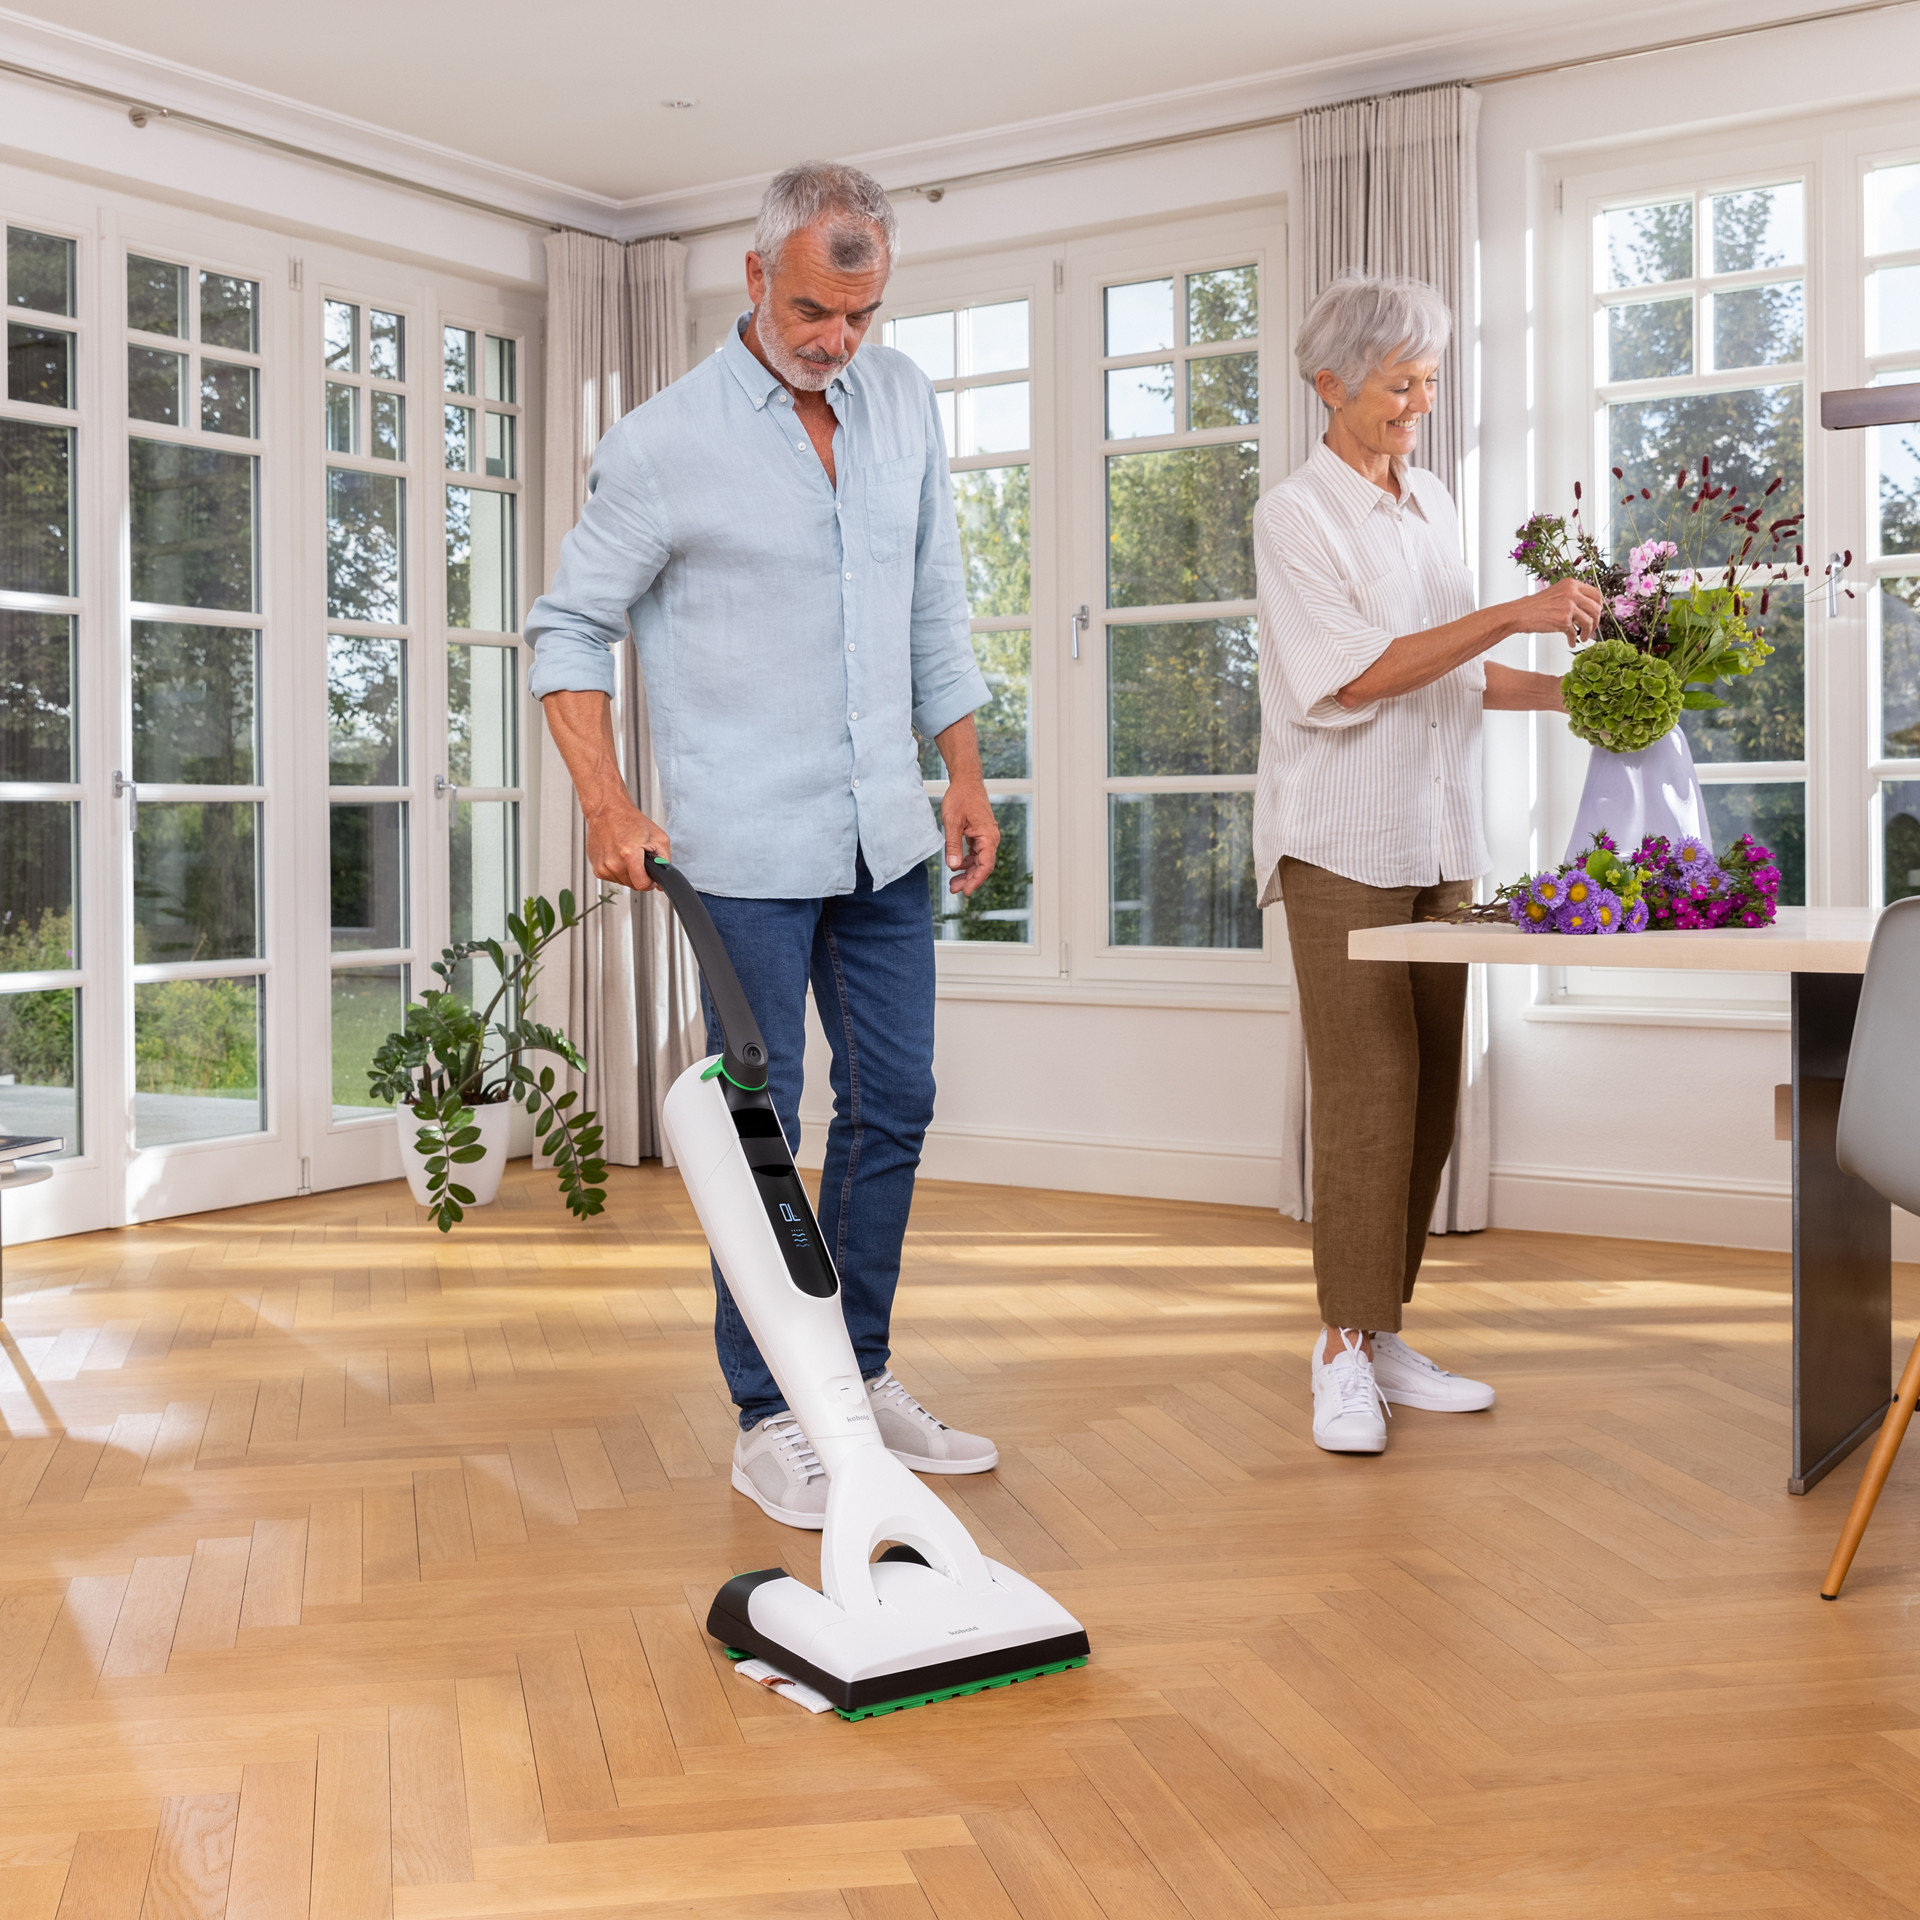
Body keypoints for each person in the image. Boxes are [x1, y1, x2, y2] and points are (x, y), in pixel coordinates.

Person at [528, 162, 1003, 1527]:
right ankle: (769, 1413)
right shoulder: (666, 442)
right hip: (738, 848)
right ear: (753, 278)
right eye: (811, 308)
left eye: (859, 314)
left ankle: (856, 1374)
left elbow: (936, 600)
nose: (835, 340)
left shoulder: (899, 399)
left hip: (884, 838)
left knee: (896, 1106)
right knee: (760, 1132)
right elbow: (567, 627)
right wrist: (606, 802)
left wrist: (960, 770)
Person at [1254, 273, 1601, 1455]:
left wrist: (1582, 697)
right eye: (1400, 382)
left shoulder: (1430, 501)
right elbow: (1354, 675)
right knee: (1367, 1098)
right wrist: (1513, 613)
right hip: (1341, 843)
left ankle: (1384, 1328)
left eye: (1431, 381)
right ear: (1331, 385)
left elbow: (1450, 669)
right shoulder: (1295, 515)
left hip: (1438, 837)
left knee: (1432, 1096)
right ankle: (1340, 1350)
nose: (1420, 402)